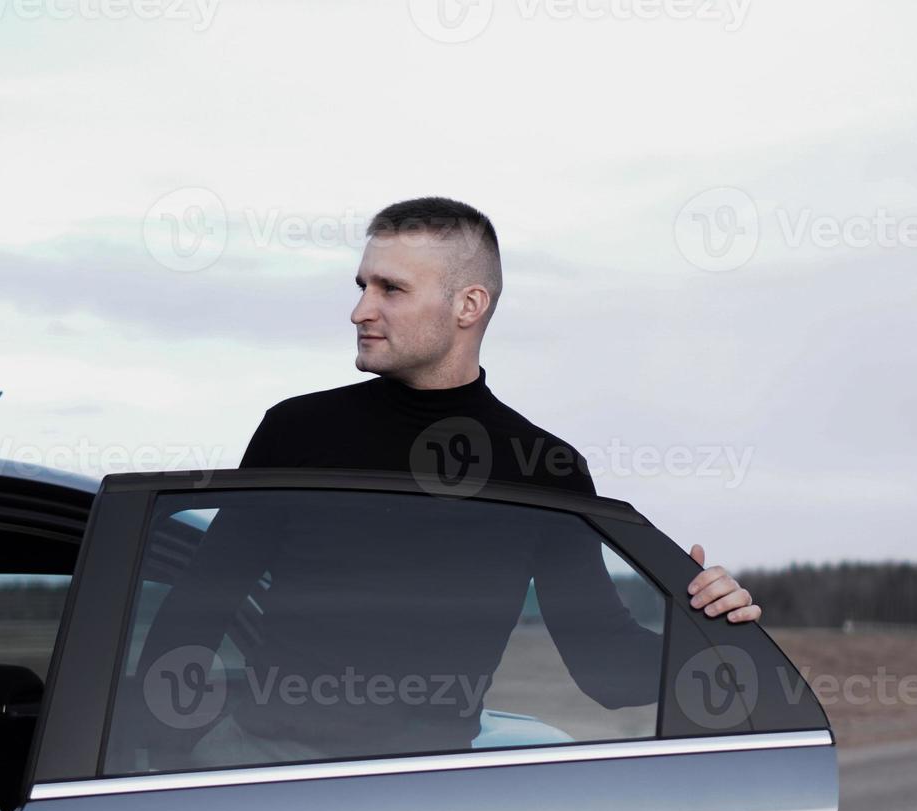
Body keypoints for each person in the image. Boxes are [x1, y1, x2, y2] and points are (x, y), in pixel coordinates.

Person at [130, 198, 760, 769]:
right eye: (361, 286)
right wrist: (171, 755)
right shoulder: (296, 431)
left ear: (468, 304)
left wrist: (709, 629)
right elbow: (194, 613)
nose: (360, 310)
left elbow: (605, 665)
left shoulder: (542, 467)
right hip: (258, 768)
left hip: (426, 794)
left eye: (390, 289)